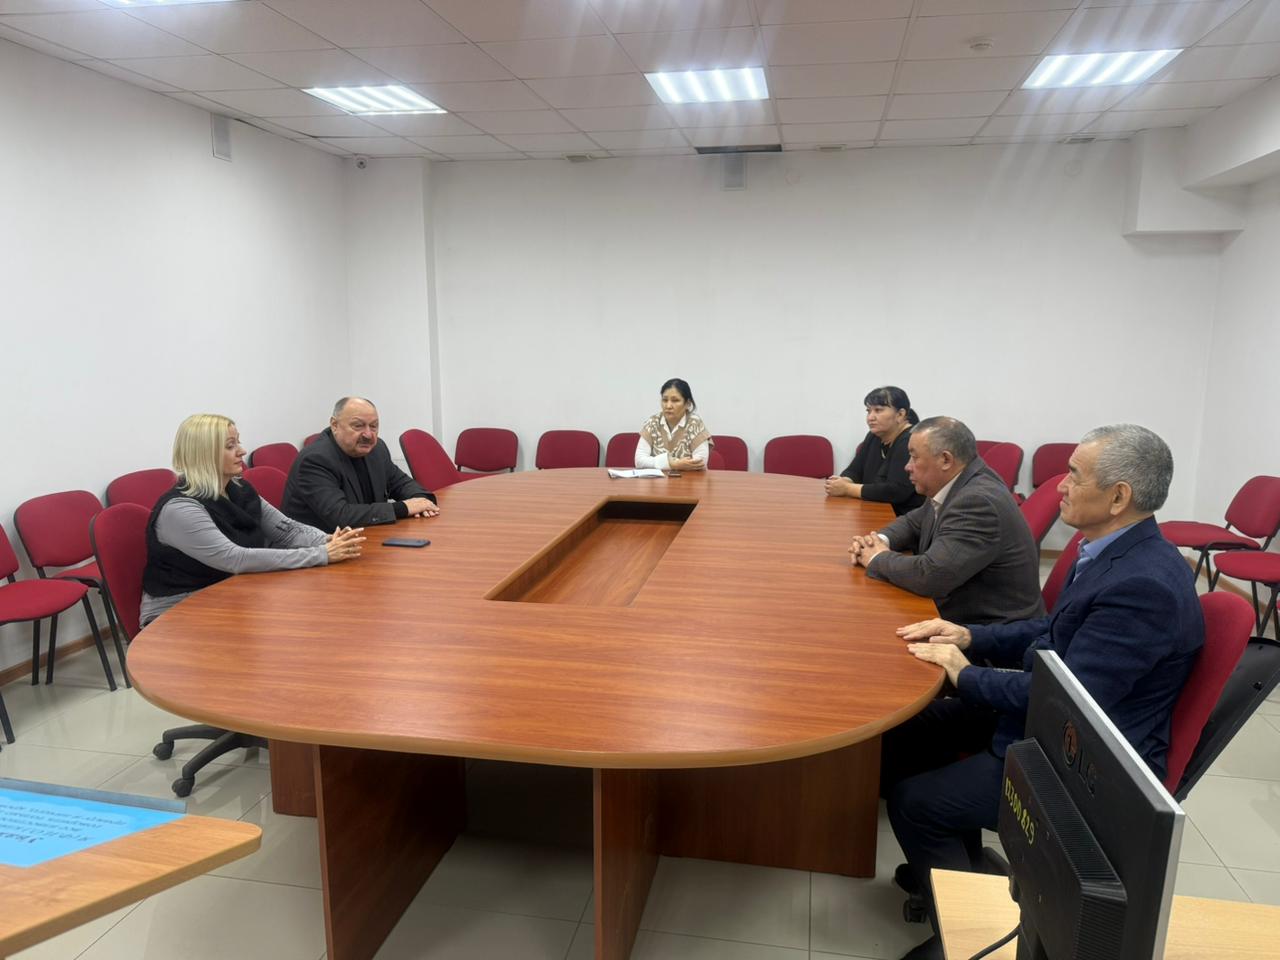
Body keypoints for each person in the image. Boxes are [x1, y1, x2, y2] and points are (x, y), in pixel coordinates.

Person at [880, 424, 1204, 960]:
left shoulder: (1143, 584)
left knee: (916, 804)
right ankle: (953, 871)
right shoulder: (1109, 550)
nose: (1059, 486)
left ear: (1118, 497)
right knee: (905, 732)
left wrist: (964, 674)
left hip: (1078, 762)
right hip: (1050, 717)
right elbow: (1052, 631)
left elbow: (1068, 700)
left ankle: (974, 936)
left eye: (1074, 475)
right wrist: (969, 636)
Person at [141, 414, 364, 627]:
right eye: (230, 446)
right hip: (177, 611)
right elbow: (236, 558)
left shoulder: (238, 488)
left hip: (231, 590)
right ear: (204, 454)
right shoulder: (180, 509)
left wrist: (330, 540)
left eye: (238, 442)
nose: (242, 451)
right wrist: (321, 554)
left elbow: (287, 530)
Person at [849, 416, 1043, 625]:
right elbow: (914, 522)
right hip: (959, 608)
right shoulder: (960, 481)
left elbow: (930, 576)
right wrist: (878, 540)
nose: (907, 466)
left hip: (985, 628)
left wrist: (876, 557)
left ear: (945, 460)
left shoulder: (975, 501)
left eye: (914, 457)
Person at [283, 397, 439, 530]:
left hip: (366, 538)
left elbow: (402, 484)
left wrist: (421, 501)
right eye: (358, 426)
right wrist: (404, 508)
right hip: (318, 548)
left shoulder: (377, 449)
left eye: (374, 426)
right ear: (335, 425)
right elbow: (341, 516)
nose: (368, 434)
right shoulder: (315, 460)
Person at [825, 386, 924, 516]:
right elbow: (854, 470)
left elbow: (896, 491)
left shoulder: (910, 440)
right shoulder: (874, 436)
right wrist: (844, 481)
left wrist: (848, 489)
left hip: (901, 516)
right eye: (868, 411)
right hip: (872, 509)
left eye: (878, 410)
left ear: (900, 414)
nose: (870, 417)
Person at [635, 378, 714, 472]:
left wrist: (658, 463)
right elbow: (639, 461)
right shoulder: (653, 422)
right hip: (658, 480)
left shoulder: (695, 424)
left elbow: (700, 463)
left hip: (690, 480)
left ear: (687, 403)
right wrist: (673, 465)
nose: (668, 406)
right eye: (665, 400)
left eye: (675, 400)